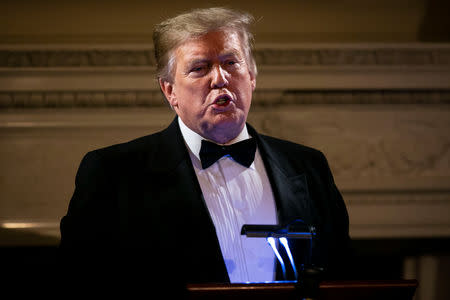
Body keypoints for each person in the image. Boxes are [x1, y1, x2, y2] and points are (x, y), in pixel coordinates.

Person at [59, 7, 350, 290]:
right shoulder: (113, 174)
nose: (220, 78)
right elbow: (82, 285)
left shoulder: (309, 166)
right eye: (200, 68)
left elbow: (344, 277)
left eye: (231, 63)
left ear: (252, 76)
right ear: (169, 90)